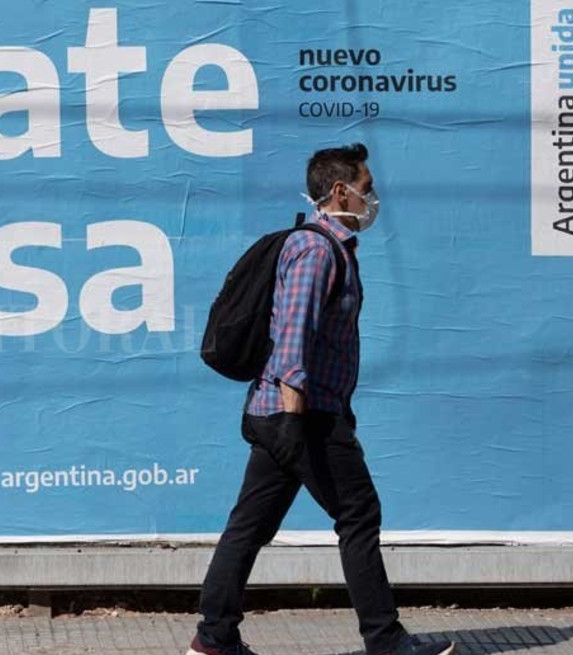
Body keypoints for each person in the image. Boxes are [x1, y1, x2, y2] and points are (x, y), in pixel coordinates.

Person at [185, 144, 455, 655]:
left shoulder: (332, 249)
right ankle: (386, 640)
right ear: (339, 191)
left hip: (286, 412)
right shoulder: (315, 251)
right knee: (358, 514)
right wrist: (294, 421)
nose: (372, 198)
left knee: (249, 526)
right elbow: (293, 338)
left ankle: (214, 638)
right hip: (302, 414)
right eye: (366, 188)